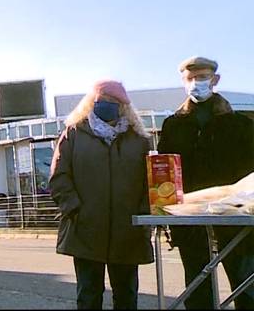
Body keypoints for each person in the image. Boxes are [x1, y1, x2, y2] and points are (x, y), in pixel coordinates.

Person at [157, 57, 254, 309]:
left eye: (201, 78)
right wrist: (165, 211)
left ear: (215, 80)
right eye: (190, 79)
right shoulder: (173, 125)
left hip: (235, 216)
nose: (196, 83)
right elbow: (165, 171)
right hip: (190, 217)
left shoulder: (240, 124)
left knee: (245, 282)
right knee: (197, 283)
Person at [49, 80, 153, 310]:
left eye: (113, 102)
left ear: (124, 106)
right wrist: (74, 209)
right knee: (88, 295)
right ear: (90, 103)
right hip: (85, 228)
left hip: (128, 231)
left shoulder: (139, 141)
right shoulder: (74, 134)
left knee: (126, 296)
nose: (107, 106)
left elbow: (150, 184)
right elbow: (59, 177)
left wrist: (144, 217)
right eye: (101, 101)